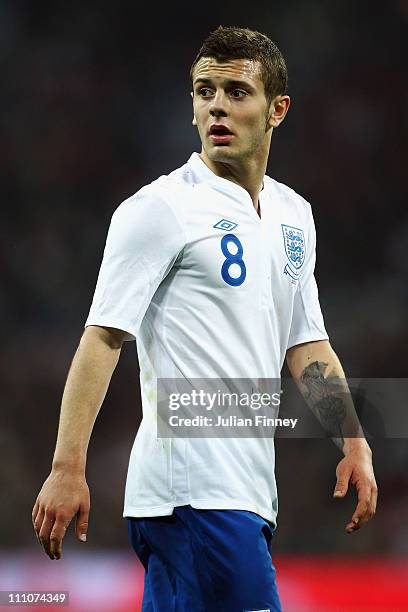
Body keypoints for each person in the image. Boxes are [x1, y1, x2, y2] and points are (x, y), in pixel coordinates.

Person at [32, 25, 378, 611]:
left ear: (277, 110)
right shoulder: (161, 209)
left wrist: (354, 439)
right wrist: (67, 466)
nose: (216, 104)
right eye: (204, 90)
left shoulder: (295, 214)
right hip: (192, 493)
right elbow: (103, 337)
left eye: (237, 92)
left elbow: (307, 344)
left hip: (244, 493)